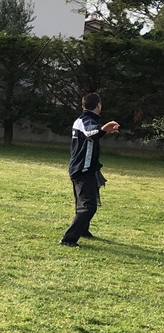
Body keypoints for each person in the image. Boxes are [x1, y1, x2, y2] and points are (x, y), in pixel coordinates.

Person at [60, 92, 120, 247]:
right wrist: (103, 129)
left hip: (81, 168)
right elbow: (90, 132)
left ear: (83, 106)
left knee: (82, 204)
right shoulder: (86, 121)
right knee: (88, 207)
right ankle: (68, 239)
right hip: (83, 170)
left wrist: (103, 130)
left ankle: (83, 230)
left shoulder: (81, 120)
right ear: (98, 106)